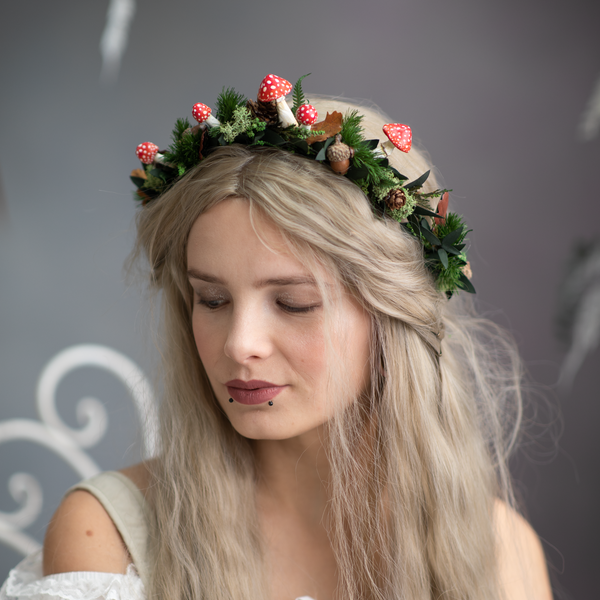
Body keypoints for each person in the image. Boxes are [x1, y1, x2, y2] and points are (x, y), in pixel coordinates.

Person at [0, 77, 553, 600]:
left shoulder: (500, 551)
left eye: (294, 303)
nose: (240, 344)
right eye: (212, 300)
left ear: (395, 314)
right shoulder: (111, 538)